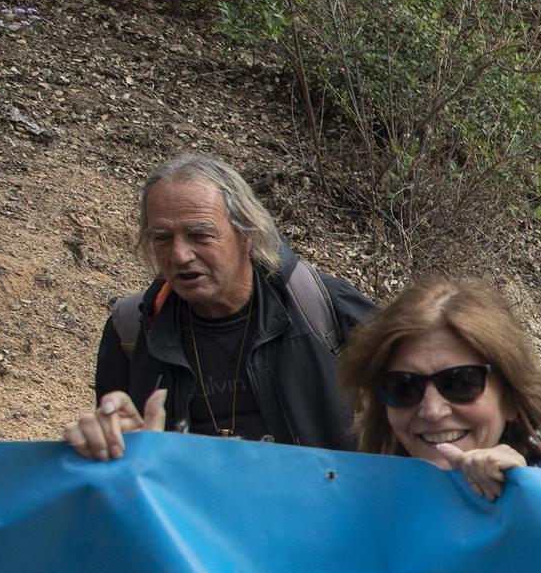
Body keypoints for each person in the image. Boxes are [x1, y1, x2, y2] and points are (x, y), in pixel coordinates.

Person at [68, 152, 374, 461]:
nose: (180, 255)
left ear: (246, 235)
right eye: (162, 238)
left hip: (320, 503)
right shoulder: (132, 330)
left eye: (199, 235)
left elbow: (413, 400)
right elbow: (118, 455)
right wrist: (111, 442)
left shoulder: (319, 306)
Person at [339, 278, 541, 499]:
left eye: (461, 382)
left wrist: (532, 498)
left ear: (511, 397)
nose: (433, 411)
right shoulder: (356, 500)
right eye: (403, 386)